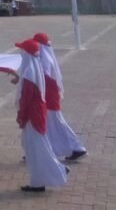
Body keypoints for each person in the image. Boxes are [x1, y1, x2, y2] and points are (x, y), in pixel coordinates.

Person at [13, 39, 68, 193]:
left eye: (22, 50)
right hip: (36, 112)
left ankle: (50, 175)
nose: (20, 53)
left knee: (37, 148)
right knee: (37, 146)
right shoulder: (33, 67)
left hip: (32, 114)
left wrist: (22, 116)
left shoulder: (30, 70)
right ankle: (44, 177)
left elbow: (26, 98)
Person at [32, 32, 87, 161]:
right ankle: (45, 149)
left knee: (57, 124)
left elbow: (42, 78)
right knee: (51, 124)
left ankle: (77, 147)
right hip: (49, 96)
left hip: (48, 97)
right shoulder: (46, 57)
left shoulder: (45, 59)